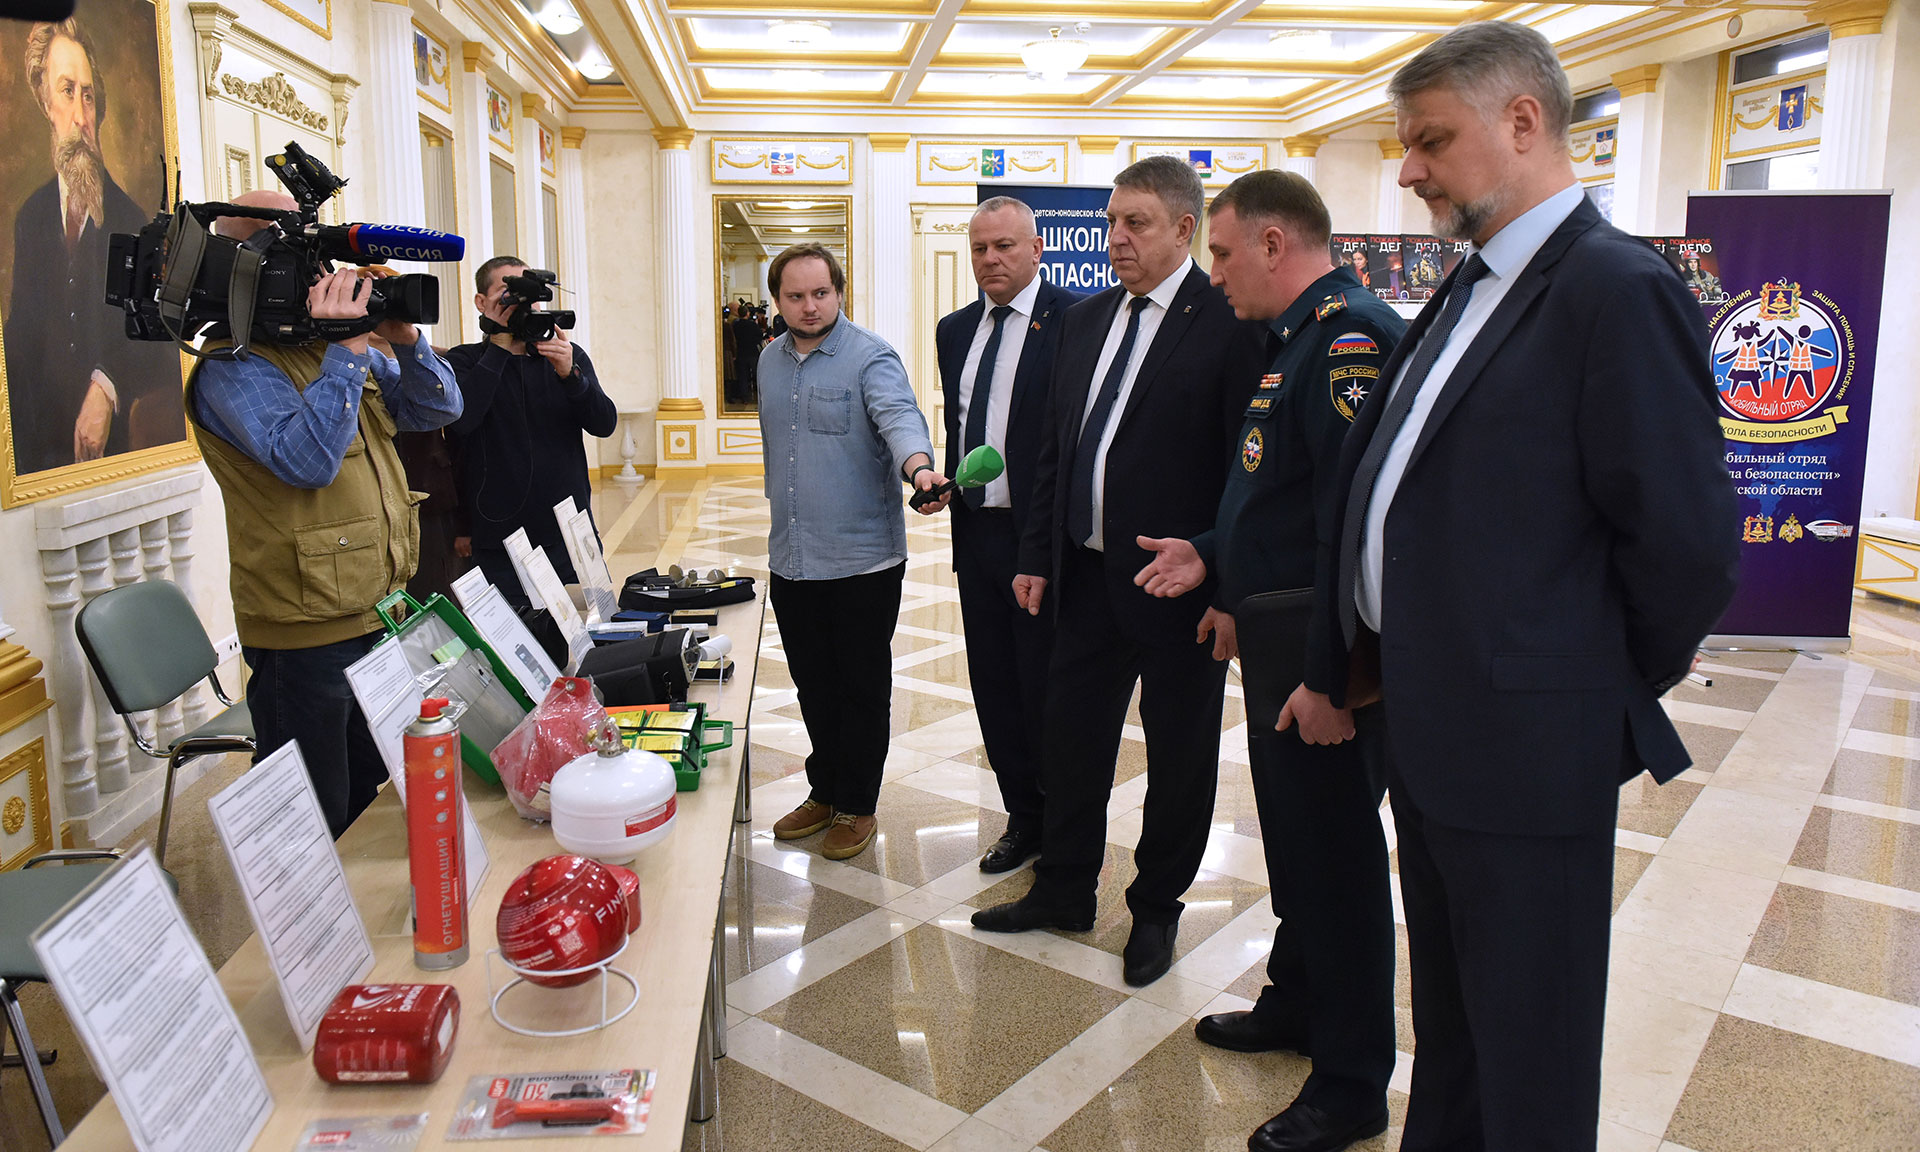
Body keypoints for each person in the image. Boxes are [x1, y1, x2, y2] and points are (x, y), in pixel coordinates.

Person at [1302, 23, 1740, 1149]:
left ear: (1525, 122)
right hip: (1432, 726)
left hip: (1531, 746)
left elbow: (1687, 544)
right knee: (1455, 1027)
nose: (1409, 170)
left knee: (1530, 1043)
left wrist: (1585, 688)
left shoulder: (1614, 289)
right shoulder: (1471, 284)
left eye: (1431, 141)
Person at [1135, 169, 1405, 1152]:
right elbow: (1280, 499)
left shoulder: (1348, 339)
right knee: (1298, 843)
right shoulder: (1297, 339)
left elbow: (1355, 522)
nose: (1214, 273)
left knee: (1336, 861)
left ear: (1275, 244)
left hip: (1322, 657)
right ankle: (1297, 1002)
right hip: (1284, 636)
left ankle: (1352, 1081)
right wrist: (1215, 559)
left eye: (1221, 251)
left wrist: (1335, 678)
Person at [970, 156, 1266, 987]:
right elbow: (1055, 451)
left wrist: (1226, 583)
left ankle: (1157, 908)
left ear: (1184, 228)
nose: (1115, 238)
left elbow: (1252, 472)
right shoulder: (1086, 318)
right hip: (1086, 579)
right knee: (1070, 740)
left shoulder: (1230, 321)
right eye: (1110, 222)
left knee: (1178, 757)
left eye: (1136, 222)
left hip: (1179, 588)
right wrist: (1037, 555)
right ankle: (1065, 887)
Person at [188, 190, 463, 838]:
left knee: (368, 790)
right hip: (304, 630)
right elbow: (308, 462)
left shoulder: (333, 349)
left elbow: (436, 409)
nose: (317, 273)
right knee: (314, 813)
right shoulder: (233, 367)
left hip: (377, 608)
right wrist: (346, 350)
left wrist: (405, 340)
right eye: (294, 256)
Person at [759, 243, 948, 862]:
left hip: (862, 562)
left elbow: (900, 419)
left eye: (821, 293)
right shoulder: (768, 361)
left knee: (860, 687)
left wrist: (919, 469)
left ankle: (857, 803)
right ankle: (825, 789)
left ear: (839, 292)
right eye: (795, 296)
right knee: (812, 684)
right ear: (778, 300)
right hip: (792, 558)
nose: (810, 306)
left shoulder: (871, 356)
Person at [935, 196, 1080, 873]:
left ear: (1037, 249)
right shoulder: (955, 330)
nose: (990, 259)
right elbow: (964, 424)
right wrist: (945, 484)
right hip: (978, 538)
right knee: (994, 687)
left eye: (1005, 246)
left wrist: (1045, 546)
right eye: (979, 248)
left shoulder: (1075, 320)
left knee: (1046, 689)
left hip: (1042, 542)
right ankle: (1023, 817)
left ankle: (1063, 824)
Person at [5, 17, 184, 475]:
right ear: (45, 102)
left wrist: (107, 385)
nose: (82, 116)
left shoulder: (132, 220)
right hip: (37, 457)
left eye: (88, 95)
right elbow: (21, 338)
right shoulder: (30, 218)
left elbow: (161, 338)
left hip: (114, 459)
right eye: (67, 92)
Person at [444, 256, 618, 608]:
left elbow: (604, 424)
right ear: (481, 302)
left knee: (591, 631)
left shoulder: (566, 357)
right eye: (508, 292)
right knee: (513, 635)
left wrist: (571, 375)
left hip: (570, 533)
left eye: (529, 293)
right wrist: (498, 349)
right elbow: (462, 423)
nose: (521, 303)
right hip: (499, 539)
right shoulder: (464, 360)